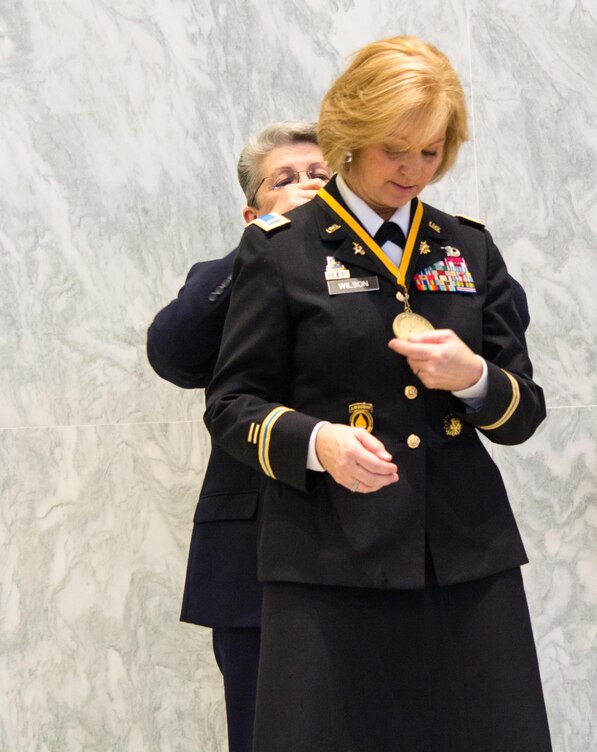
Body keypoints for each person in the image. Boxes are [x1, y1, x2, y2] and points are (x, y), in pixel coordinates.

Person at [203, 36, 551, 752]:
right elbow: (233, 402)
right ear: (352, 136)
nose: (414, 170)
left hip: (464, 557)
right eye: (397, 148)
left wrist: (475, 379)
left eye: (431, 151)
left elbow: (525, 410)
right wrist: (318, 443)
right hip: (328, 557)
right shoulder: (281, 246)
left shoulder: (467, 248)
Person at [146, 121, 331, 752]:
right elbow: (172, 355)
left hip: (364, 543)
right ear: (252, 209)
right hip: (253, 551)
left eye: (322, 175)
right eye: (287, 178)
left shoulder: (389, 270)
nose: (308, 186)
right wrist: (258, 246)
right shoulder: (229, 275)